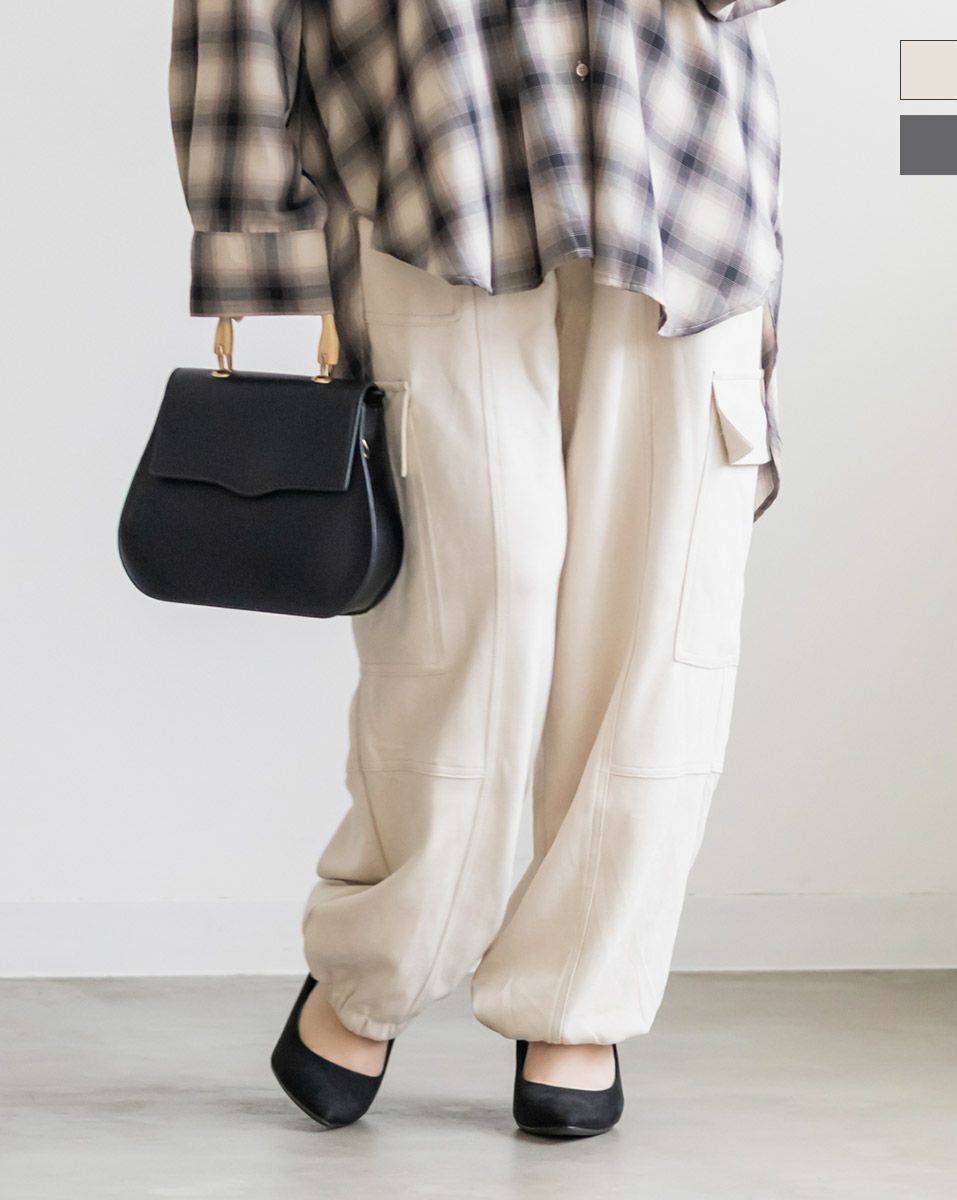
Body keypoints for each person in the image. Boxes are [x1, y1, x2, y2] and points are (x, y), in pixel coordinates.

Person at [169, 0, 788, 1137]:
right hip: (426, 165)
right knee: (469, 601)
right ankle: (383, 958)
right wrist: (256, 229)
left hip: (679, 174)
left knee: (653, 616)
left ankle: (579, 992)